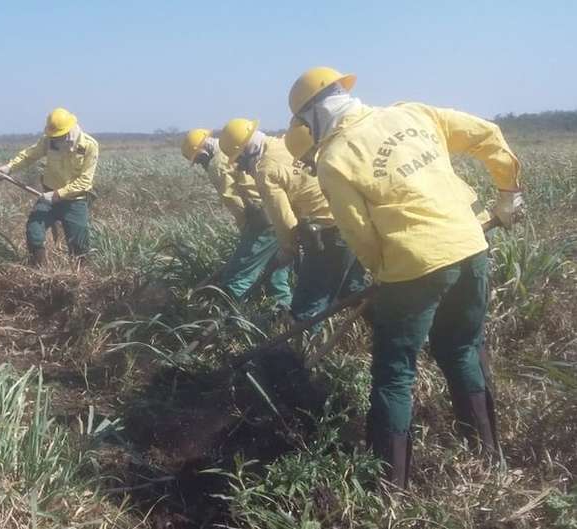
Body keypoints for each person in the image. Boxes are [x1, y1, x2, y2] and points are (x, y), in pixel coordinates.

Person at [287, 66, 524, 487]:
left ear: (313, 117)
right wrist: (509, 192)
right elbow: (486, 134)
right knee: (462, 350)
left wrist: (383, 275)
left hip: (413, 267)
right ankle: (489, 458)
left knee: (395, 373)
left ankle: (389, 491)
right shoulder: (411, 113)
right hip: (470, 247)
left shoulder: (336, 158)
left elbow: (359, 233)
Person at [217, 119, 369, 324]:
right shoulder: (285, 143)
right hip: (352, 219)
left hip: (327, 233)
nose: (241, 167)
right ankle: (387, 329)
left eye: (239, 159)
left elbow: (283, 219)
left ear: (246, 150)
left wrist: (287, 250)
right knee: (352, 289)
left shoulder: (265, 170)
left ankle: (304, 350)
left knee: (307, 307)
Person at [180, 129, 292, 307]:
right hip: (279, 215)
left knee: (237, 276)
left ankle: (230, 323)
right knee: (276, 275)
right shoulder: (231, 151)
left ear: (202, 152)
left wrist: (247, 233)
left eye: (198, 160)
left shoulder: (217, 164)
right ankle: (285, 315)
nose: (201, 164)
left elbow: (233, 200)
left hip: (261, 221)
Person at [0, 108, 98, 266]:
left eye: (59, 136)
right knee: (34, 230)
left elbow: (85, 181)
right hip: (48, 196)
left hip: (74, 201)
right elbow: (29, 155)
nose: (55, 140)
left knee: (79, 244)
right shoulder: (48, 140)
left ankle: (81, 275)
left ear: (69, 131)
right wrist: (8, 168)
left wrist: (57, 194)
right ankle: (38, 271)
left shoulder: (89, 146)